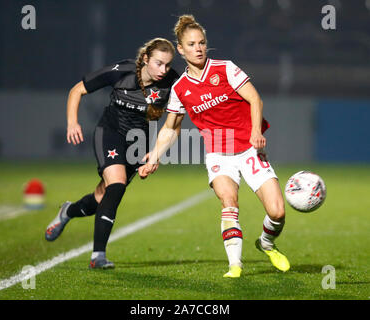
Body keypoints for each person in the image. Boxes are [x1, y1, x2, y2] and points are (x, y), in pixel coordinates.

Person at [139, 15, 290, 278]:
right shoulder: (180, 88)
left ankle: (265, 243)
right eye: (192, 44)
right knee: (229, 202)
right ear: (181, 49)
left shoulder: (226, 69)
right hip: (219, 152)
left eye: (202, 43)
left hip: (248, 148)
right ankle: (235, 266)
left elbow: (255, 99)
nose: (198, 48)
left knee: (277, 211)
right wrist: (155, 156)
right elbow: (170, 128)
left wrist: (256, 130)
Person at [45, 38, 178, 269]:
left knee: (101, 197)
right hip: (110, 132)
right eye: (158, 63)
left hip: (138, 142)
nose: (163, 70)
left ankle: (68, 211)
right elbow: (77, 90)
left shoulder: (173, 82)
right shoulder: (122, 71)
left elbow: (173, 124)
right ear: (145, 59)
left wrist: (156, 153)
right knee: (117, 185)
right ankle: (98, 256)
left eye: (167, 65)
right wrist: (72, 122)